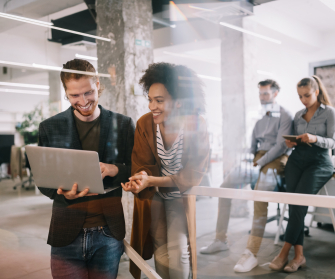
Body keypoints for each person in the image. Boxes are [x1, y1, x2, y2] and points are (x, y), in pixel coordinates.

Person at [38, 59, 135, 279]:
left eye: (88, 92)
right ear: (66, 93)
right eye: (74, 95)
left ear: (98, 85)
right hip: (65, 233)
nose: (83, 101)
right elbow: (43, 179)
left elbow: (134, 170)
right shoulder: (50, 127)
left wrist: (114, 169)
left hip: (108, 233)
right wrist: (60, 191)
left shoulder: (123, 125)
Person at [121, 62, 209, 279]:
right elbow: (141, 164)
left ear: (178, 102)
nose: (152, 106)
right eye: (150, 99)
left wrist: (151, 181)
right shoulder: (144, 124)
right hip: (155, 197)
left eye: (159, 100)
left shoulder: (196, 125)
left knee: (178, 251)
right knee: (160, 250)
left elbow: (193, 174)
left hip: (180, 195)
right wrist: (141, 178)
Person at [200, 79, 293, 273]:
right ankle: (220, 239)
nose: (262, 98)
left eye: (266, 94)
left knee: (260, 196)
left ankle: (251, 253)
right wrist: (244, 162)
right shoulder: (260, 117)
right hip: (257, 159)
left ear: (275, 94)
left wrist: (258, 163)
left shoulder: (284, 116)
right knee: (224, 187)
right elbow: (252, 145)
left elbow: (280, 146)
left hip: (277, 159)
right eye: (260, 94)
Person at [269, 76, 335, 273]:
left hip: (320, 162)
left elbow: (333, 142)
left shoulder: (330, 113)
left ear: (316, 91)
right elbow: (295, 141)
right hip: (297, 161)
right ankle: (299, 256)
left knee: (298, 204)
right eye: (300, 96)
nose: (303, 100)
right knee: (294, 203)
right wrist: (292, 143)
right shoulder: (298, 115)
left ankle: (284, 252)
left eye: (307, 95)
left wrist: (315, 138)